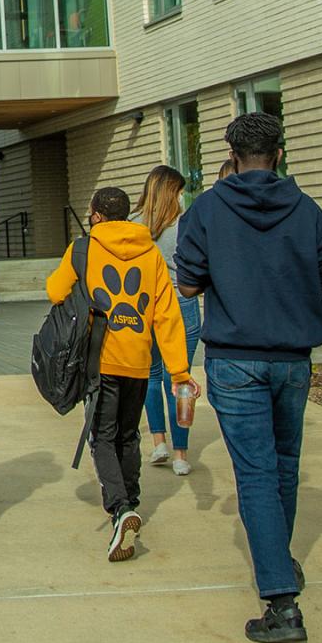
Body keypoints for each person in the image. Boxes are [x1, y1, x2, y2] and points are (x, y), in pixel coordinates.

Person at [175, 111, 322, 643]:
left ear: (229, 152)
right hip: (292, 357)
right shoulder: (307, 209)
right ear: (280, 152)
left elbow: (189, 281)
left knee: (255, 473)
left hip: (235, 356)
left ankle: (280, 602)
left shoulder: (207, 210)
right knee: (284, 466)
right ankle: (281, 565)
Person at [46, 186, 194, 562]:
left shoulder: (83, 249)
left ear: (95, 215)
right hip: (138, 360)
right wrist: (179, 371)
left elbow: (54, 291)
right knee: (129, 435)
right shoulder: (151, 253)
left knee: (102, 436)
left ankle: (120, 508)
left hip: (100, 359)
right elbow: (167, 314)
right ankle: (131, 503)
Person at [137, 165, 201, 475]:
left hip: (146, 306)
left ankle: (158, 442)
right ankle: (181, 454)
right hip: (181, 303)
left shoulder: (134, 225)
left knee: (150, 375)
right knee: (179, 378)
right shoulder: (186, 223)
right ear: (173, 192)